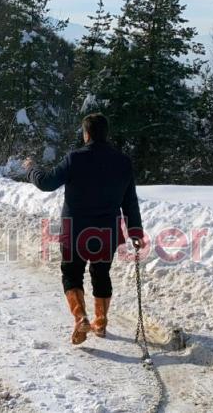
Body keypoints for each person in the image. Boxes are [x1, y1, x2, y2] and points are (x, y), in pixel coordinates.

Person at [24, 113, 144, 344]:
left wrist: (31, 168)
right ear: (105, 133)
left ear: (86, 133)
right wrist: (135, 232)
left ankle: (80, 318)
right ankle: (100, 322)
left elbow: (46, 183)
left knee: (71, 274)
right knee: (101, 274)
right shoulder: (123, 162)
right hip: (106, 233)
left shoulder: (74, 158)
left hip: (75, 232)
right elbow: (130, 202)